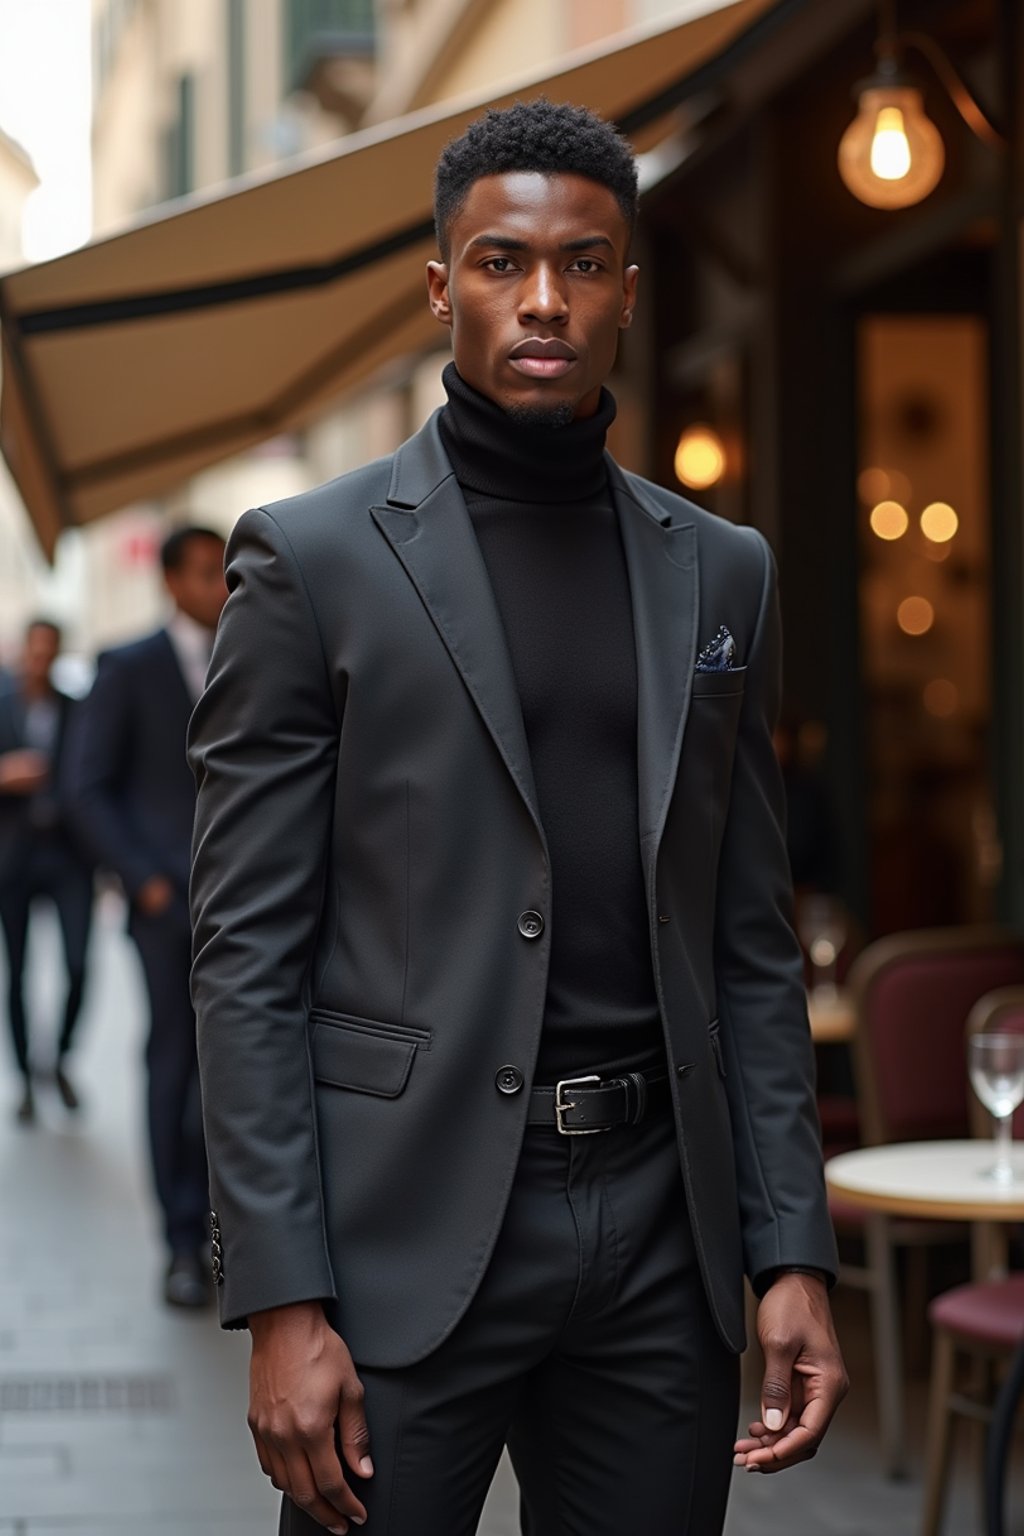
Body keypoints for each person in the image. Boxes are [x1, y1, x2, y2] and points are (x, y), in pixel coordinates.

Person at [189, 101, 846, 1536]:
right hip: (398, 1240)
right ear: (442, 288)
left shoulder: (721, 573)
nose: (542, 299)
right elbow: (245, 957)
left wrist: (791, 1247)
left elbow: (749, 944)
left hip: (662, 1242)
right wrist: (279, 1296)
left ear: (626, 287)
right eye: (501, 262)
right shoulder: (308, 563)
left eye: (582, 264)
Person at [68, 526, 227, 1308]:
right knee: (175, 1063)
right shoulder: (126, 667)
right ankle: (180, 1241)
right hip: (167, 908)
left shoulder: (257, 657)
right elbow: (86, 785)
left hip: (250, 909)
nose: (222, 588)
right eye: (207, 574)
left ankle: (237, 1234)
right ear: (170, 582)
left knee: (240, 1068)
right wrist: (145, 882)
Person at [0, 619, 94, 1124]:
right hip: (11, 858)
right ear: (22, 653)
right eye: (33, 651)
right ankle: (24, 1081)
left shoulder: (77, 708)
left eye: (49, 653)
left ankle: (58, 1057)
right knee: (16, 973)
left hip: (67, 859)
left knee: (79, 966)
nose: (39, 661)